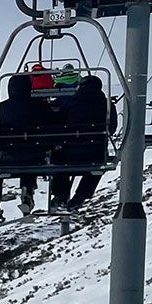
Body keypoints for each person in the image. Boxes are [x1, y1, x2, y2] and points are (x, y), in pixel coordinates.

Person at [0, 73, 58, 228]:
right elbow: (53, 130)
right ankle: (27, 193)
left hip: (7, 157)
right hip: (37, 156)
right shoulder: (42, 107)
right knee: (29, 164)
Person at [52, 75, 118, 212]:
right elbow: (111, 129)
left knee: (57, 160)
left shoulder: (71, 103)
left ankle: (60, 195)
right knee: (96, 168)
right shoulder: (107, 105)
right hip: (96, 153)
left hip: (68, 154)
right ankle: (80, 196)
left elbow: (58, 124)